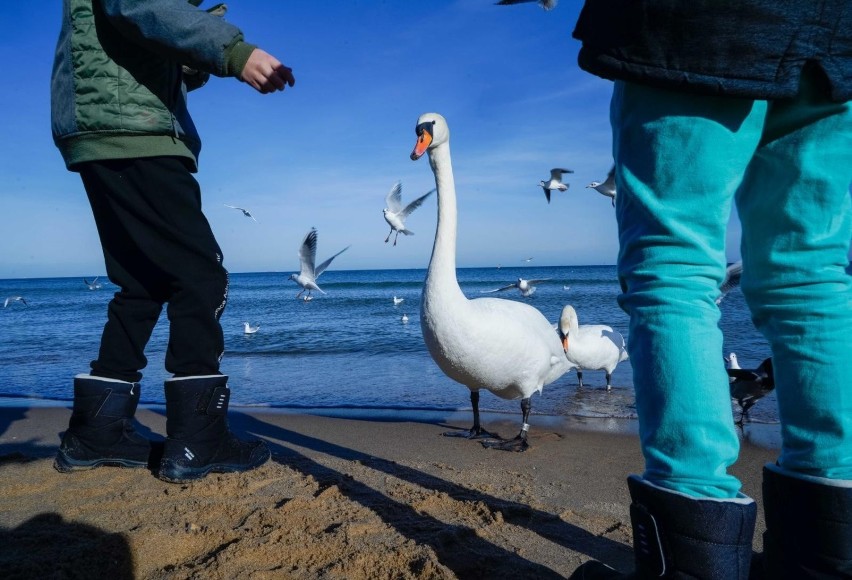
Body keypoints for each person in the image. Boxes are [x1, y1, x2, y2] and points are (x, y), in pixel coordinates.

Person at [567, 2, 852, 578]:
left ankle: (696, 560)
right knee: (810, 272)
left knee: (671, 268)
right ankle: (829, 561)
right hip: (836, 37)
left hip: (697, 30)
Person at [50, 0, 295, 483]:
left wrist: (192, 54)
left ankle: (97, 430)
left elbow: (147, 35)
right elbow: (140, 4)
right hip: (135, 129)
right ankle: (198, 439)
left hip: (101, 126)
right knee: (202, 275)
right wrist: (232, 51)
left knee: (141, 282)